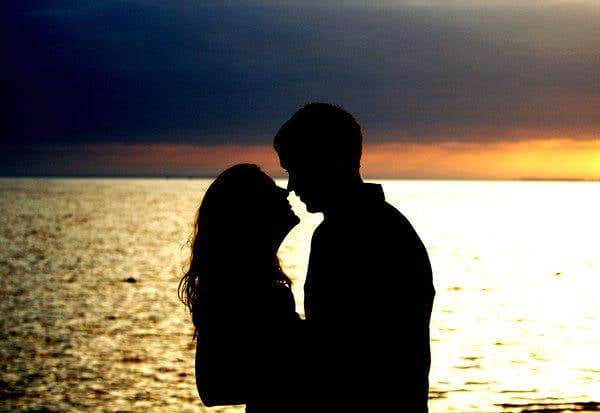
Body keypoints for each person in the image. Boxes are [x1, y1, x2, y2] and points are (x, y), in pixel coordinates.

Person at [274, 102, 435, 411]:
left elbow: (339, 349)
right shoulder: (383, 224)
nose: (292, 186)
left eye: (296, 168)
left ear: (329, 160)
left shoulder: (347, 234)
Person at [178, 164, 303, 412]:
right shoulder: (239, 288)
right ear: (249, 212)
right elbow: (213, 387)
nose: (284, 192)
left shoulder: (257, 281)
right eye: (269, 190)